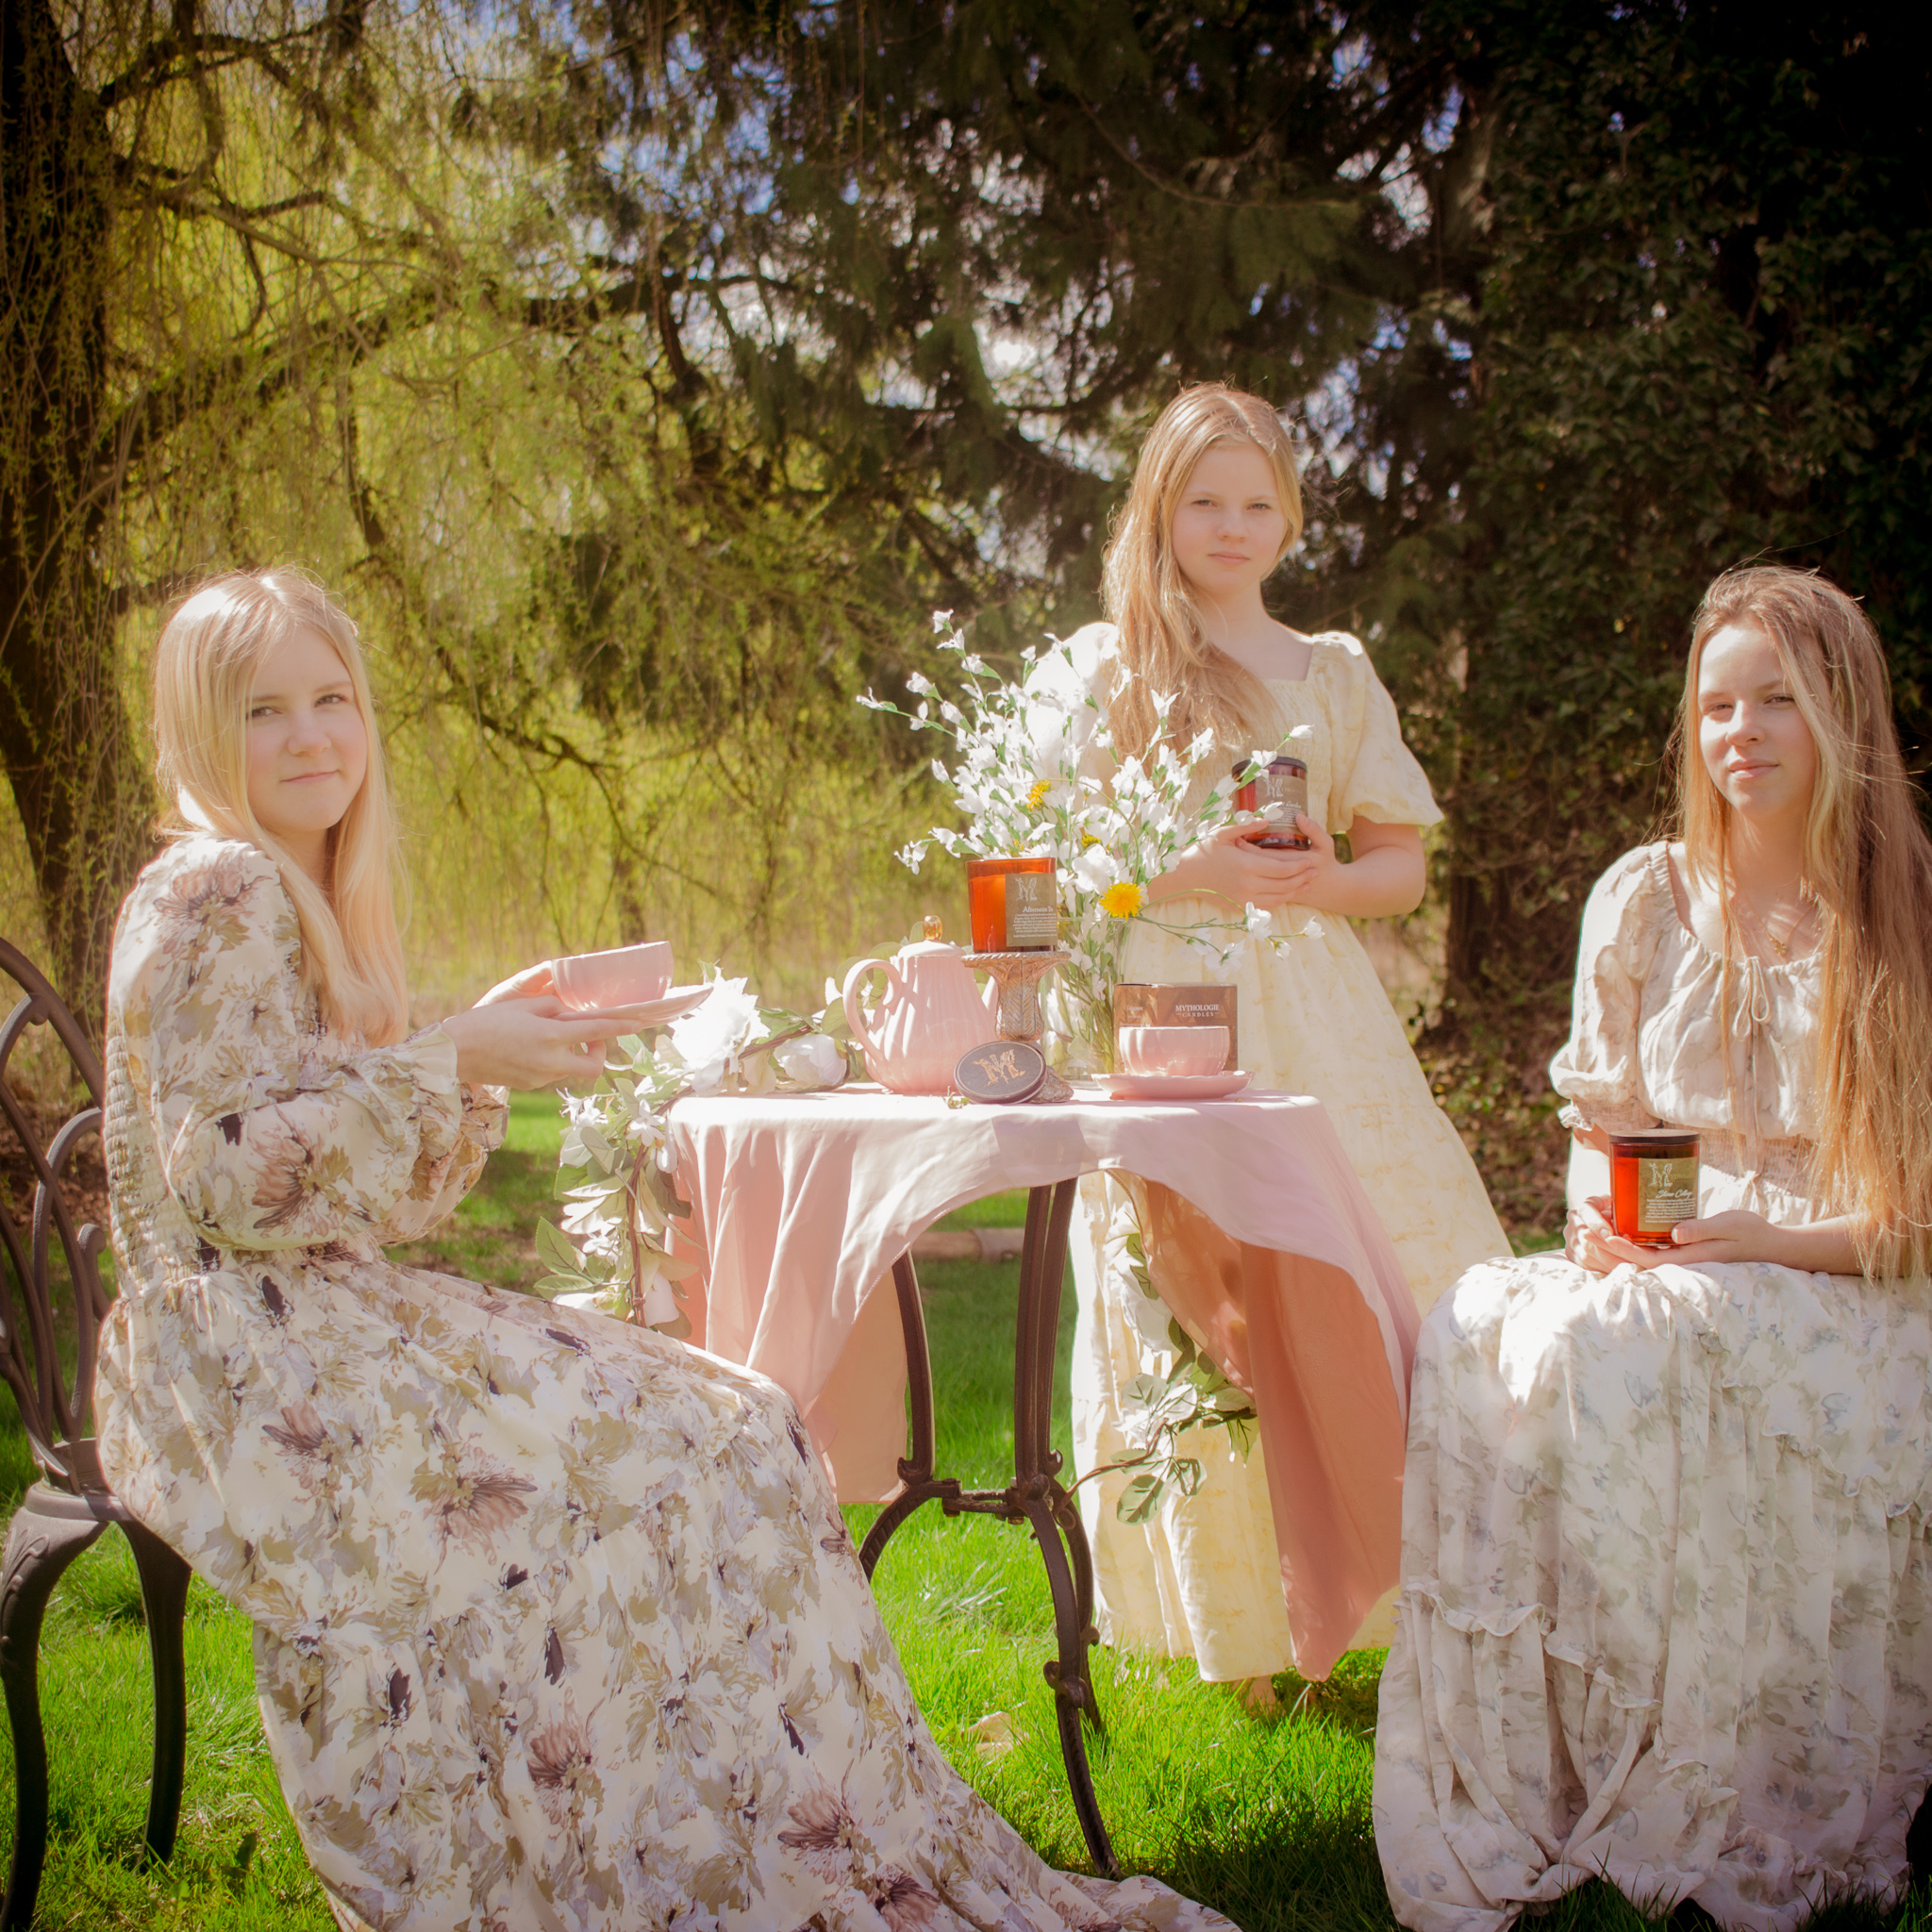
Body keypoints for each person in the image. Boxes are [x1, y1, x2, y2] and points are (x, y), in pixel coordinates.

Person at [95, 568, 1235, 1932]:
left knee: (736, 1421)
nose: (311, 735)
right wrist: (452, 1053)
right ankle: (687, 1853)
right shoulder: (220, 883)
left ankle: (731, 1833)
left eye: (332, 698)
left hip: (308, 1315)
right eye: (264, 710)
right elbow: (221, 1173)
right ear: (199, 732)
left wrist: (470, 1050)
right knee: (706, 1445)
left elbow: (376, 1195)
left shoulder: (298, 894)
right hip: (242, 1367)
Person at [1374, 564, 1932, 1932]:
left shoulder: (1907, 911)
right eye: (1715, 705)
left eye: (1776, 702)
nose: (1738, 732)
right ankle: (1536, 1771)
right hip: (1671, 1254)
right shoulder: (1646, 896)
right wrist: (1599, 1217)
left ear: (1843, 715)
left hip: (1845, 1273)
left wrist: (1767, 1242)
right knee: (1490, 1322)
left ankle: (1718, 1775)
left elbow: (1913, 1217)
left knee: (1653, 1350)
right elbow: (1606, 1124)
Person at [1035, 383, 1508, 1689]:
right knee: (1197, 1286)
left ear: (1291, 518)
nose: (1230, 526)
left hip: (1315, 1013)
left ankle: (1423, 1592)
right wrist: (1189, 871)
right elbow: (1057, 863)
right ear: (1160, 511)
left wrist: (1312, 883)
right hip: (1165, 1005)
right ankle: (1240, 1627)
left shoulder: (1331, 671)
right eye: (1204, 500)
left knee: (1371, 1264)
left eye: (1256, 502)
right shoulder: (1108, 668)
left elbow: (1400, 865)